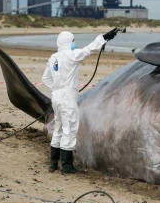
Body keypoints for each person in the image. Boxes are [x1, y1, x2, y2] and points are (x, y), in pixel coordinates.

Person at [42, 28, 119, 173]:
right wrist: (104, 38)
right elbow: (89, 49)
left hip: (56, 97)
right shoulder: (72, 55)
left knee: (58, 128)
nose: (74, 43)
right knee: (69, 129)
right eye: (73, 40)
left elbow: (45, 78)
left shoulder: (53, 58)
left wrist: (57, 88)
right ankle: (67, 166)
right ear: (68, 42)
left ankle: (53, 164)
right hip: (67, 98)